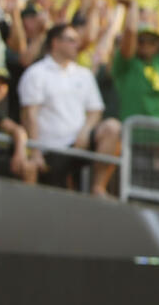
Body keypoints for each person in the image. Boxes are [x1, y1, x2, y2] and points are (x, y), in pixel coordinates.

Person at [17, 23, 121, 194]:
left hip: (80, 144)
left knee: (112, 128)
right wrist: (35, 151)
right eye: (72, 40)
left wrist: (86, 130)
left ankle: (98, 187)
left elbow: (95, 110)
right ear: (55, 43)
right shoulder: (36, 73)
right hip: (50, 148)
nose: (77, 45)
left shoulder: (84, 74)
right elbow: (29, 114)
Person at [110, 0, 159, 192]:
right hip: (132, 145)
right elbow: (130, 32)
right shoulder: (126, 64)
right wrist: (133, 7)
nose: (145, 44)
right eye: (141, 41)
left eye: (151, 41)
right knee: (129, 196)